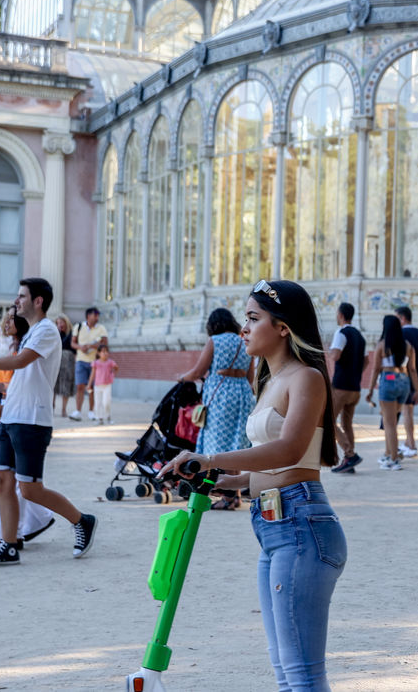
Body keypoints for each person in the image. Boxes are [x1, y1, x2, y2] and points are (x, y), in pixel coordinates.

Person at [159, 279, 346, 690]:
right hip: (274, 527)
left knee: (302, 676)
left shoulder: (307, 378)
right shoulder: (267, 382)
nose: (243, 328)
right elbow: (263, 473)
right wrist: (210, 479)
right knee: (284, 670)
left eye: (252, 318)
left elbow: (289, 451)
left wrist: (208, 457)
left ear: (283, 327)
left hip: (303, 527)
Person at [0, 278, 97, 567]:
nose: (17, 300)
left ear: (38, 301)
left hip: (32, 420)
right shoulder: (32, 332)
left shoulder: (47, 330)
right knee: (2, 481)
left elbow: (22, 362)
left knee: (30, 489)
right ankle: (9, 545)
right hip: (11, 416)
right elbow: (23, 377)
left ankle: (82, 521)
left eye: (22, 296)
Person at [0, 312, 55, 553]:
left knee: (17, 481)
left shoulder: (30, 347)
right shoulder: (17, 344)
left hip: (20, 415)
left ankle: (10, 534)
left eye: (11, 319)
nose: (6, 322)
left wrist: (4, 406)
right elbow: (12, 382)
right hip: (10, 411)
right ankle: (23, 526)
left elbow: (26, 385)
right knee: (2, 477)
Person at [177, 307, 255, 508]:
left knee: (220, 447)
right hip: (243, 395)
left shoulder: (215, 341)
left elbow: (198, 371)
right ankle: (234, 494)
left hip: (221, 398)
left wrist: (182, 378)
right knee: (235, 446)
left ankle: (228, 497)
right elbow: (251, 377)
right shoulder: (243, 340)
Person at [367, 314, 418, 471]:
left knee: (389, 423)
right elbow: (413, 369)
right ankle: (389, 452)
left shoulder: (382, 345)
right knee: (392, 422)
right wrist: (416, 390)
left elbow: (376, 369)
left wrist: (369, 390)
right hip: (404, 381)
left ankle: (393, 459)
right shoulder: (408, 345)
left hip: (388, 379)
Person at [329, 302, 366, 474]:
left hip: (341, 385)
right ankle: (349, 461)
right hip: (355, 387)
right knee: (347, 423)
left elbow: (335, 355)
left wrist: (329, 353)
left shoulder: (341, 333)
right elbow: (366, 360)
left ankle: (349, 454)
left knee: (328, 420)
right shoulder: (360, 336)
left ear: (342, 315)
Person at [395, 306, 418, 457]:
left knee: (406, 410)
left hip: (404, 375)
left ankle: (411, 443)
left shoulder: (400, 334)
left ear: (402, 318)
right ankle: (409, 442)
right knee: (408, 410)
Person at [70, 307, 108, 421]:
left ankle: (92, 411)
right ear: (88, 316)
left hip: (94, 362)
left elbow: (105, 343)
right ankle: (77, 411)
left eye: (97, 315)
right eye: (95, 315)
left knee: (91, 387)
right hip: (80, 360)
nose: (97, 317)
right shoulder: (79, 326)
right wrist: (80, 347)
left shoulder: (101, 328)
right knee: (80, 386)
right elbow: (73, 343)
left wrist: (91, 346)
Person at [87, 345, 118, 425]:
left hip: (107, 385)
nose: (105, 353)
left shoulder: (110, 362)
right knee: (97, 403)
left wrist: (114, 371)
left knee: (106, 402)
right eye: (103, 351)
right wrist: (89, 384)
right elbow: (92, 374)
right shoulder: (95, 363)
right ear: (99, 353)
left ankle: (108, 416)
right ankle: (99, 418)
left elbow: (116, 368)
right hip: (97, 386)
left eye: (107, 351)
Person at [54, 314, 76, 417]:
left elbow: (74, 348)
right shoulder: (55, 334)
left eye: (61, 322)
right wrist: (57, 331)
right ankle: (52, 407)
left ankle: (64, 409)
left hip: (68, 360)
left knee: (66, 384)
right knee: (54, 383)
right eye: (57, 323)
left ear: (66, 322)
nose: (60, 324)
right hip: (56, 359)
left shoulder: (72, 333)